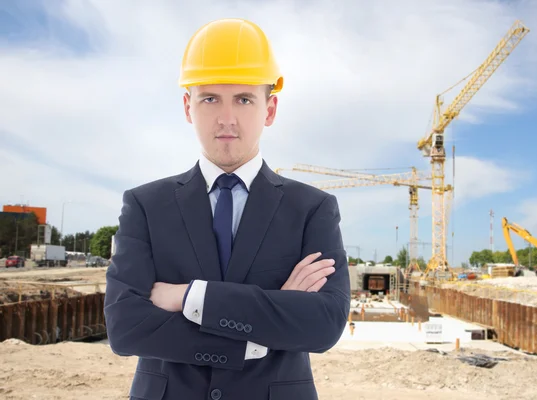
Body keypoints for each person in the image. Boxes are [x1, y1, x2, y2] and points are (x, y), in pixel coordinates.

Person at [103, 18, 351, 400]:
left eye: (244, 99)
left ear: (269, 109)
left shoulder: (313, 209)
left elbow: (323, 324)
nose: (226, 118)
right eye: (210, 98)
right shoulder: (144, 206)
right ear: (188, 107)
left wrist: (188, 297)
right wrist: (263, 328)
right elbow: (125, 327)